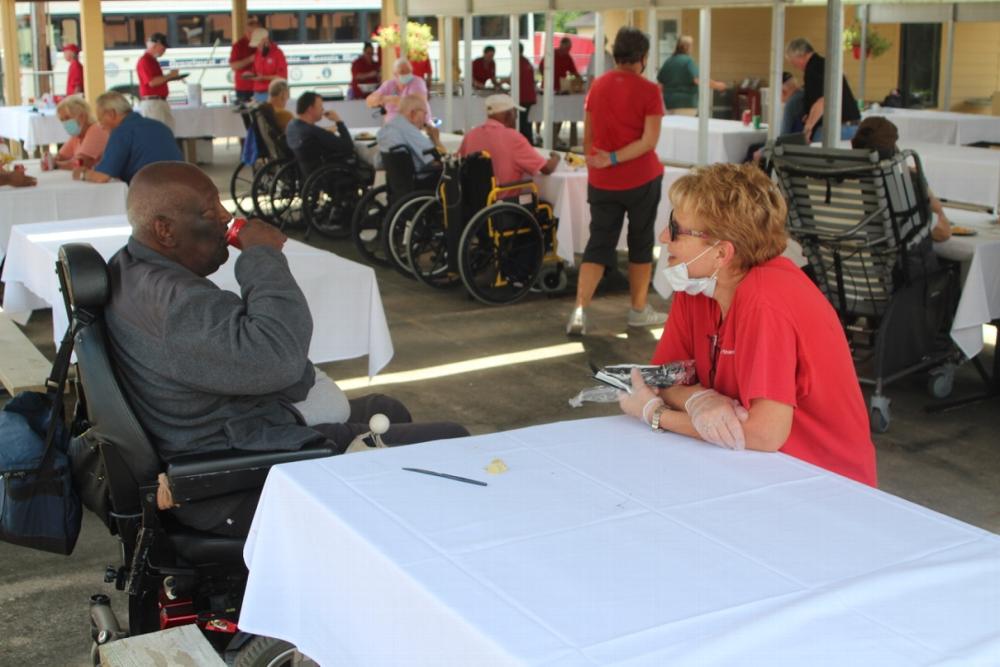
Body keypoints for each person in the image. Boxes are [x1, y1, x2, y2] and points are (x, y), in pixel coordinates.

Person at [104, 161, 469, 536]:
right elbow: (279, 358)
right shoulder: (179, 305)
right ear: (164, 230)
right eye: (210, 211)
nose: (226, 217)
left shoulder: (131, 269)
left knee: (387, 409)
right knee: (451, 440)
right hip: (233, 476)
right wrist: (261, 255)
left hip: (224, 432)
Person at [617, 163, 877, 487]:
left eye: (676, 228)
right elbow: (663, 379)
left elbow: (764, 433)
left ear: (721, 253)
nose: (663, 237)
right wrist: (699, 400)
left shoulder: (765, 299)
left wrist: (657, 415)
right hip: (753, 468)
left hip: (825, 485)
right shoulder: (698, 286)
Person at [567, 27, 666, 336]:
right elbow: (649, 141)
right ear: (643, 57)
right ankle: (638, 310)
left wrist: (600, 163)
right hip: (641, 179)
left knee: (598, 243)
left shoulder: (598, 85)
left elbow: (589, 138)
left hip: (602, 182)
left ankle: (579, 310)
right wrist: (614, 158)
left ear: (616, 54)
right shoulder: (650, 91)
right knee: (641, 242)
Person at [850, 116, 951, 243]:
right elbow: (944, 232)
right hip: (890, 254)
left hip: (842, 252)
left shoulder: (840, 181)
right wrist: (923, 185)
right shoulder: (903, 187)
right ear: (892, 151)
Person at [74, 91, 182, 185]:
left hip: (150, 192)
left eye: (100, 119)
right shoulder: (160, 126)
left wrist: (83, 174)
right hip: (182, 185)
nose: (101, 125)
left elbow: (102, 177)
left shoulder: (121, 132)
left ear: (111, 114)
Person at [459, 94, 558, 189]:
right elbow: (547, 168)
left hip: (472, 198)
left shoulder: (470, 135)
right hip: (504, 197)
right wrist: (556, 158)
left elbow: (459, 162)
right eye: (515, 113)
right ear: (509, 115)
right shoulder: (513, 138)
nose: (516, 117)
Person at [785, 38, 861, 143]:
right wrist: (809, 115)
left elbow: (822, 101)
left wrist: (808, 128)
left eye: (792, 61)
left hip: (838, 128)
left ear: (799, 55)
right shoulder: (824, 64)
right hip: (851, 126)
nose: (794, 66)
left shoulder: (812, 69)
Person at [285, 91, 355, 175]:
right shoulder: (313, 131)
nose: (323, 109)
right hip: (328, 174)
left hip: (307, 173)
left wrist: (327, 131)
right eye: (320, 106)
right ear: (310, 109)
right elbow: (348, 146)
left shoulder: (292, 126)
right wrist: (338, 121)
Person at [656, 35, 727, 114]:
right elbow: (698, 79)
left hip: (668, 104)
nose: (692, 48)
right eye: (691, 46)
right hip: (686, 104)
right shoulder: (688, 61)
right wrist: (718, 85)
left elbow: (660, 85)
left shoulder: (668, 61)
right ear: (686, 47)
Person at [376, 94, 441, 172]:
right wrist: (436, 140)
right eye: (424, 113)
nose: (425, 118)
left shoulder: (387, 128)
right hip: (419, 176)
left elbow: (378, 162)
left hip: (395, 177)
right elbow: (435, 157)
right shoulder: (409, 130)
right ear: (413, 114)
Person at [136, 32, 183, 132]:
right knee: (156, 133)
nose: (164, 50)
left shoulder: (153, 61)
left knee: (167, 131)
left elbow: (158, 80)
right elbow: (152, 82)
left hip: (159, 102)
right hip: (153, 103)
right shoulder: (145, 61)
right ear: (155, 45)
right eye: (163, 47)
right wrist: (170, 75)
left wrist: (172, 77)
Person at [49, 95, 109, 170]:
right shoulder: (77, 135)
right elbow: (61, 157)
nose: (65, 123)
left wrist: (55, 165)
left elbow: (81, 163)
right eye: (62, 120)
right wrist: (49, 159)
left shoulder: (97, 130)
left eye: (67, 118)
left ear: (82, 116)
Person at [367, 59, 432, 123]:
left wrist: (389, 99)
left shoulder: (417, 82)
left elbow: (416, 104)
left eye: (409, 71)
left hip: (416, 125)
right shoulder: (389, 84)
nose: (406, 74)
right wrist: (377, 100)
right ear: (395, 74)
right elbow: (369, 101)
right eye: (402, 72)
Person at [248, 28, 287, 103]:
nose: (258, 47)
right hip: (257, 93)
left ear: (266, 41)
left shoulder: (278, 53)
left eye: (259, 44)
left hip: (273, 94)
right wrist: (251, 75)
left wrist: (263, 78)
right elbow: (255, 72)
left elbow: (282, 77)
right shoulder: (258, 53)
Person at [228, 16, 259, 103]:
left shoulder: (263, 44)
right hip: (244, 88)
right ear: (247, 32)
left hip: (261, 87)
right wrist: (250, 59)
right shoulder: (239, 46)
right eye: (251, 32)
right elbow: (233, 66)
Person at [515, 43, 537, 145]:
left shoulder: (520, 62)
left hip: (523, 97)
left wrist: (502, 82)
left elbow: (514, 78)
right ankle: (528, 142)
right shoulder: (525, 61)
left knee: (522, 122)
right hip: (528, 96)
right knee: (525, 121)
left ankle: (526, 143)